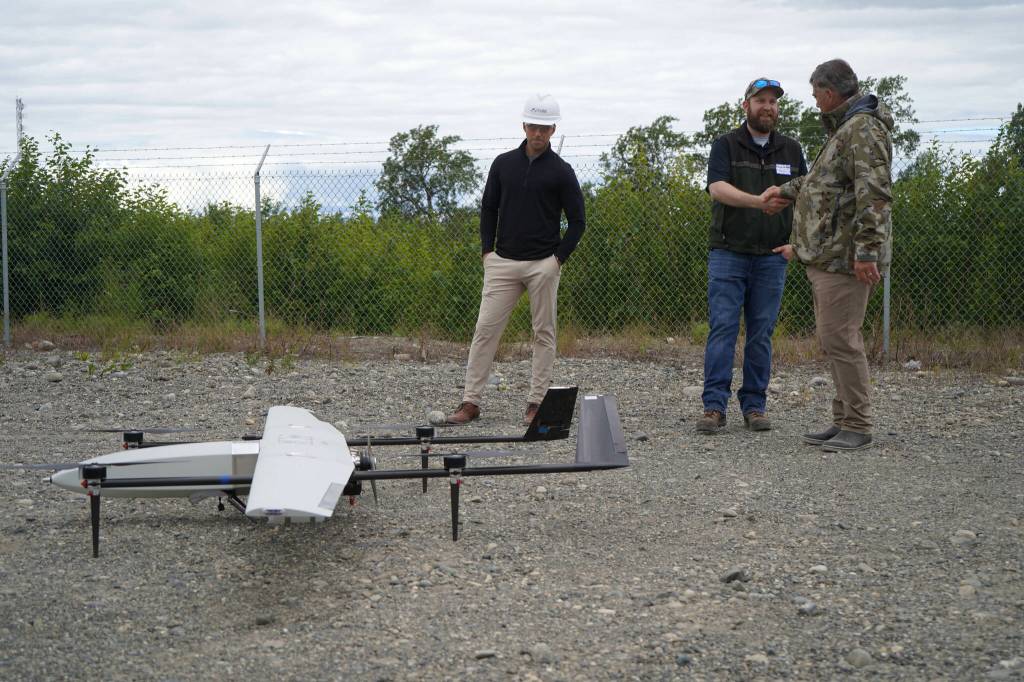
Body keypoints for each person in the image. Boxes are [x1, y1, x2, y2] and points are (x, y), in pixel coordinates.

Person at [768, 59, 894, 452]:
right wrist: (785, 192)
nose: (813, 100)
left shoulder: (863, 129)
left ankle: (857, 423)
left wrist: (867, 252)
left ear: (829, 91)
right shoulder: (847, 127)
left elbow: (873, 193)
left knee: (841, 337)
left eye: (815, 92)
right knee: (834, 338)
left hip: (846, 258)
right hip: (830, 254)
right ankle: (843, 420)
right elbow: (825, 182)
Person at [446, 94, 586, 426]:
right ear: (524, 125)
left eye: (544, 128)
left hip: (543, 265)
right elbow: (488, 208)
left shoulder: (561, 172)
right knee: (485, 330)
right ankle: (471, 402)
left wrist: (558, 260)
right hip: (502, 263)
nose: (538, 133)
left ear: (553, 130)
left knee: (543, 333)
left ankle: (536, 403)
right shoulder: (503, 164)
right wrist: (487, 252)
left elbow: (578, 221)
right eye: (533, 126)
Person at [696, 78, 807, 434]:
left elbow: (807, 197)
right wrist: (758, 201)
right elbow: (718, 188)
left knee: (761, 333)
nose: (768, 107)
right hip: (729, 252)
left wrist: (798, 244)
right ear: (745, 105)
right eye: (760, 100)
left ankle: (755, 406)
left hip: (773, 256)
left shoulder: (790, 149)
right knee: (724, 329)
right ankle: (714, 407)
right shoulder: (726, 145)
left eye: (773, 101)